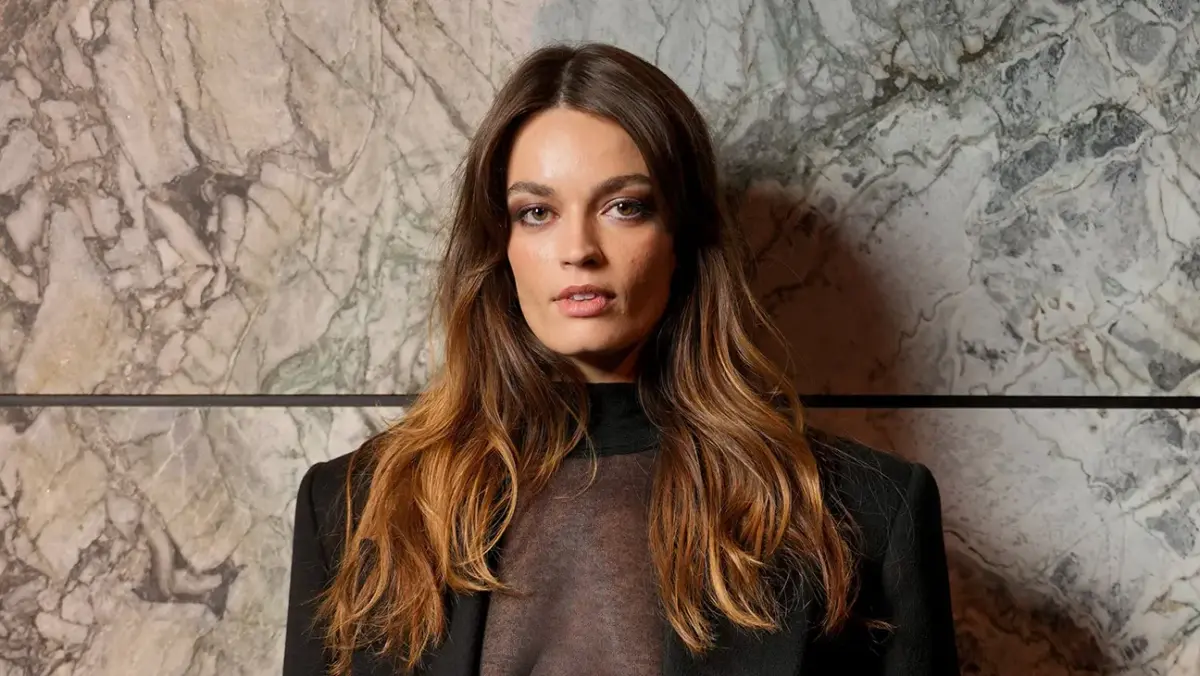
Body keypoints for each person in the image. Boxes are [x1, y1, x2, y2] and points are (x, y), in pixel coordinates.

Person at [282, 42, 960, 676]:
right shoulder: (355, 509)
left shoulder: (862, 513)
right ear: (498, 245)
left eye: (623, 207)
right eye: (537, 212)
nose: (579, 249)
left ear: (682, 238)